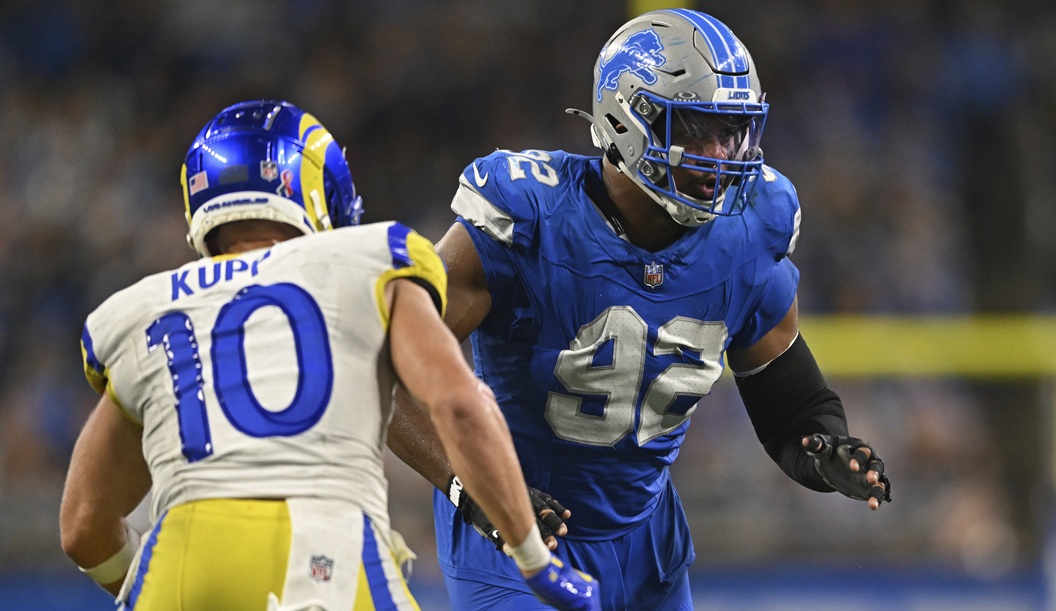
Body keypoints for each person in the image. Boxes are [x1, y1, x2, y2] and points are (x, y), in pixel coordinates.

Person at [386, 9, 893, 611]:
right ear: (628, 121)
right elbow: (385, 366)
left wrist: (823, 447)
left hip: (647, 540)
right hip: (511, 532)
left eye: (733, 132)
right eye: (697, 130)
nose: (721, 155)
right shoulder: (529, 217)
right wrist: (471, 486)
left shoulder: (750, 229)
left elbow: (784, 391)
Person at [59, 100, 598, 611]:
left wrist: (172, 586)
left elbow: (83, 526)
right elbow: (459, 405)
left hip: (178, 560)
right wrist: (533, 559)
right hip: (324, 549)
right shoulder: (371, 260)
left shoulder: (145, 309)